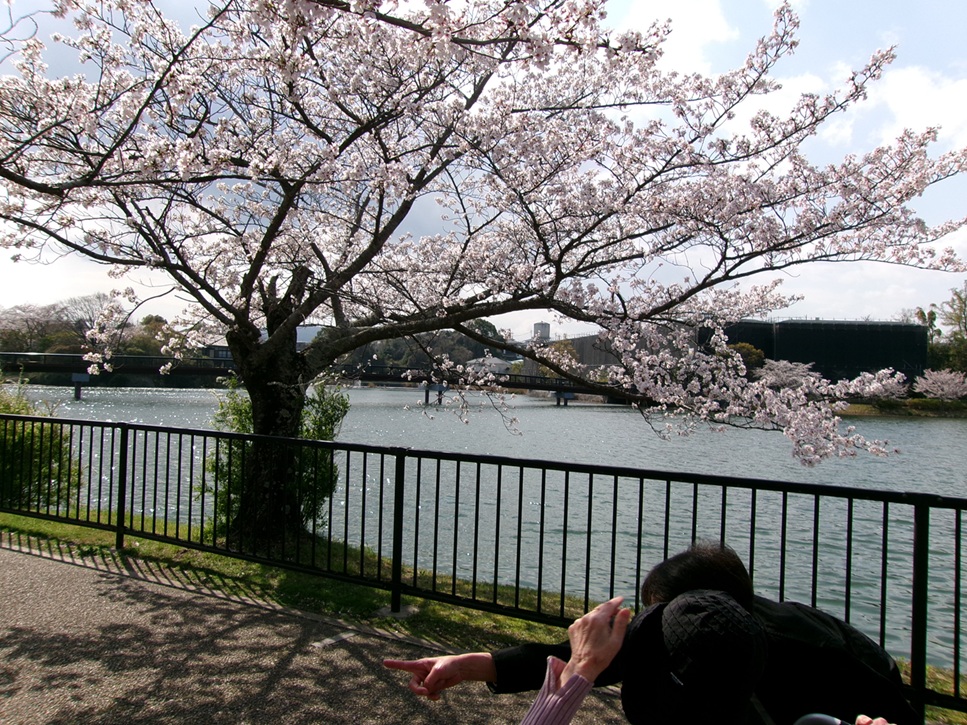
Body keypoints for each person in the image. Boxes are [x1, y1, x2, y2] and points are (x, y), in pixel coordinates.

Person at [383, 542, 918, 725]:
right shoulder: (686, 636)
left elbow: (887, 693)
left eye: (658, 612)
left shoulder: (811, 654)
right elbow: (569, 656)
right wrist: (467, 665)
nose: (652, 625)